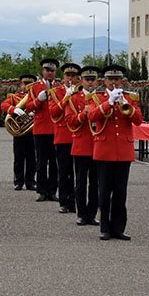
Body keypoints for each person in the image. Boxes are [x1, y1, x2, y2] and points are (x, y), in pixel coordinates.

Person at [87, 64, 142, 241]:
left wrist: (126, 105)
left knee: (120, 191)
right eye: (110, 79)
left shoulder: (129, 97)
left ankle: (118, 228)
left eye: (117, 79)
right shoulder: (96, 97)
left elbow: (138, 120)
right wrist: (108, 103)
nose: (113, 82)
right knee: (104, 192)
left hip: (123, 151)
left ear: (122, 81)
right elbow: (92, 116)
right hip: (104, 150)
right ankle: (105, 227)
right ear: (104, 81)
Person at [65, 66, 100, 226]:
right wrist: (82, 114)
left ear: (97, 81)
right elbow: (69, 120)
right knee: (80, 182)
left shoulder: (102, 98)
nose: (90, 82)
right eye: (87, 80)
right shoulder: (73, 98)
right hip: (81, 144)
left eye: (93, 79)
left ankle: (92, 214)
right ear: (82, 81)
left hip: (98, 145)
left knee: (95, 183)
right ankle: (81, 213)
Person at [21, 58, 59, 202]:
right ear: (42, 71)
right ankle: (42, 191)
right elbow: (29, 107)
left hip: (55, 129)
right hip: (41, 128)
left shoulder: (59, 87)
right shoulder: (35, 87)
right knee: (41, 162)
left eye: (52, 71)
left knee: (54, 163)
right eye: (47, 70)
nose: (50, 73)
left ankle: (53, 190)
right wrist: (38, 99)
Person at [49, 63, 80, 214]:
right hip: (63, 136)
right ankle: (63, 201)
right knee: (64, 171)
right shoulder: (55, 92)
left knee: (78, 173)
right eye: (68, 76)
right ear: (63, 77)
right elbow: (53, 113)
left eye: (73, 76)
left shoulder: (82, 92)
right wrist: (66, 98)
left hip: (78, 136)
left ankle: (75, 202)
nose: (70, 79)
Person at [1, 74, 36, 191]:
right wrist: (13, 109)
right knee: (19, 158)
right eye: (24, 84)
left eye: (29, 84)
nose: (26, 87)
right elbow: (4, 105)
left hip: (32, 131)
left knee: (32, 158)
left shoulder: (36, 98)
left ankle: (31, 181)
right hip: (19, 132)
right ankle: (18, 181)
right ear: (20, 85)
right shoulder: (14, 97)